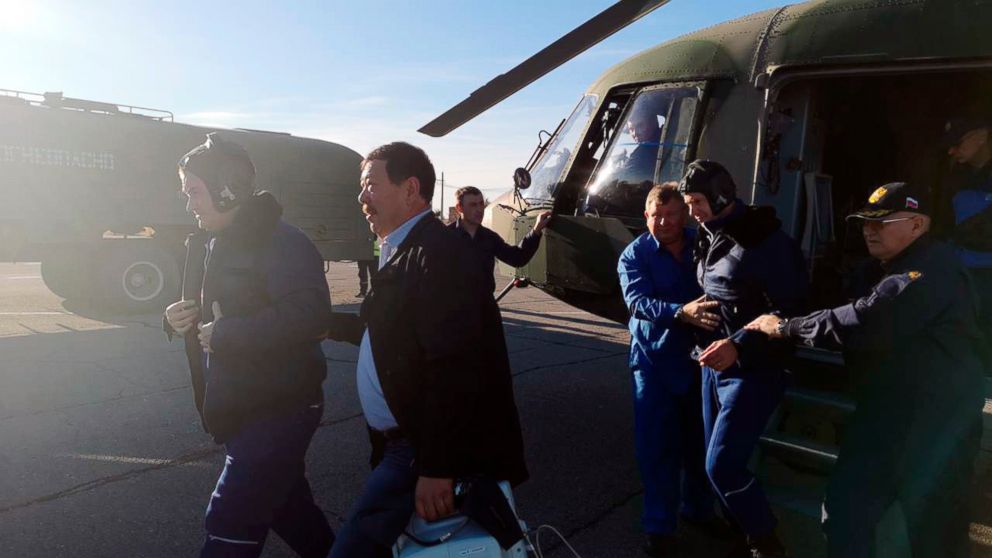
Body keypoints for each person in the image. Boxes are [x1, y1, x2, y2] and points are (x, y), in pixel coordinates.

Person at [746, 182, 985, 558]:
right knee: (844, 516)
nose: (869, 229)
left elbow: (865, 321)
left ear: (918, 224)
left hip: (934, 427)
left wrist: (786, 327)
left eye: (883, 221)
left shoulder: (929, 270)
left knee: (934, 534)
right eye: (865, 223)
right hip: (887, 417)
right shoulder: (884, 268)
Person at [324, 142, 528, 558]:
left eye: (370, 185)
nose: (362, 197)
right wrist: (316, 322)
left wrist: (437, 466)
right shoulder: (404, 247)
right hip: (404, 444)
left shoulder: (440, 254)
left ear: (410, 188)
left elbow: (456, 368)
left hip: (417, 450)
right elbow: (387, 329)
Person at [163, 133, 334, 558]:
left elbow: (312, 315)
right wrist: (173, 320)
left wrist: (229, 334)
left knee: (230, 519)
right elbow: (217, 311)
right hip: (245, 407)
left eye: (195, 192)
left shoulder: (282, 242)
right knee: (290, 510)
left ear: (228, 189)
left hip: (279, 408)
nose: (190, 204)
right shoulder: (210, 241)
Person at [677, 160, 809, 558]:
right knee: (711, 461)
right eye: (688, 202)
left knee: (723, 466)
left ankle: (765, 544)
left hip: (753, 369)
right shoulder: (709, 233)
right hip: (713, 364)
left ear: (720, 194)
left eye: (697, 200)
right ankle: (739, 534)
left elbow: (791, 311)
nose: (692, 210)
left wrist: (738, 342)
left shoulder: (767, 241)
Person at [617, 182, 725, 557]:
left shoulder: (702, 243)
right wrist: (682, 312)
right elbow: (638, 302)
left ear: (684, 215)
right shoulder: (633, 256)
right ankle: (659, 529)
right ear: (645, 216)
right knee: (657, 448)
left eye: (672, 215)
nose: (663, 222)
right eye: (656, 216)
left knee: (700, 443)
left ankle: (698, 510)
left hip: (699, 361)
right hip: (653, 364)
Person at [939, 117, 992, 372]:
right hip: (959, 275)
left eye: (957, 143)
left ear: (981, 135)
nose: (951, 150)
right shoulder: (956, 175)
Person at [447, 185, 551, 294]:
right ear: (459, 208)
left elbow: (517, 258)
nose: (479, 209)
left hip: (485, 306)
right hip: (456, 308)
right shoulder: (445, 237)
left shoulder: (489, 237)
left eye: (481, 204)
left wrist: (536, 231)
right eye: (473, 205)